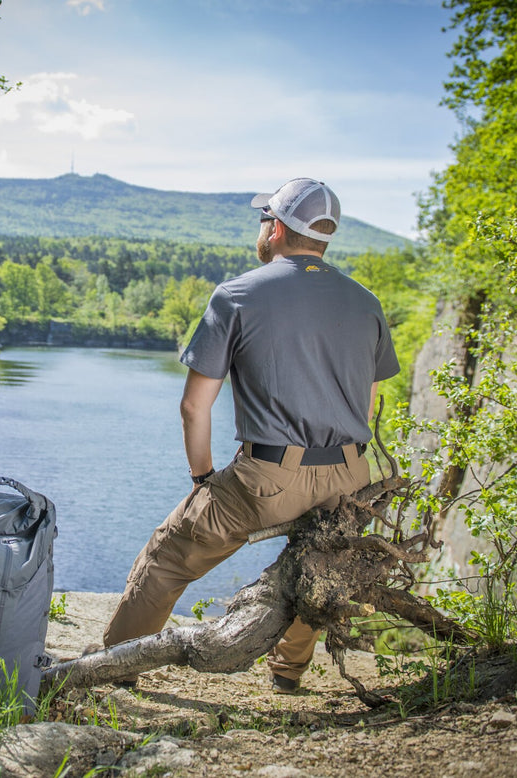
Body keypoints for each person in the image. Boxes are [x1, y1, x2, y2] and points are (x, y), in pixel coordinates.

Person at [101, 177, 400, 694]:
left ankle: (115, 666)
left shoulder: (237, 295)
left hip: (268, 476)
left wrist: (202, 479)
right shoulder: (365, 301)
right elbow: (368, 402)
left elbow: (194, 407)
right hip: (351, 471)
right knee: (324, 556)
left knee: (169, 556)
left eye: (265, 219)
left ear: (278, 228)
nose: (262, 227)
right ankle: (288, 670)